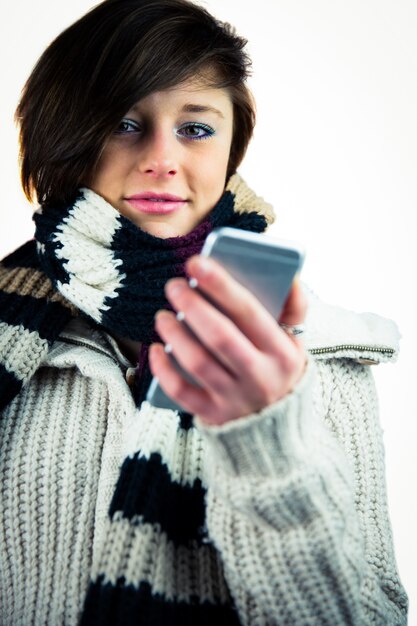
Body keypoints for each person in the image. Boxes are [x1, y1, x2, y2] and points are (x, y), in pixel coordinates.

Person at [0, 0, 408, 624]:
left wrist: (270, 446)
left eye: (195, 128)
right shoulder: (10, 338)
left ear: (231, 149)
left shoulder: (321, 354)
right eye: (125, 123)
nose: (162, 158)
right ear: (68, 138)